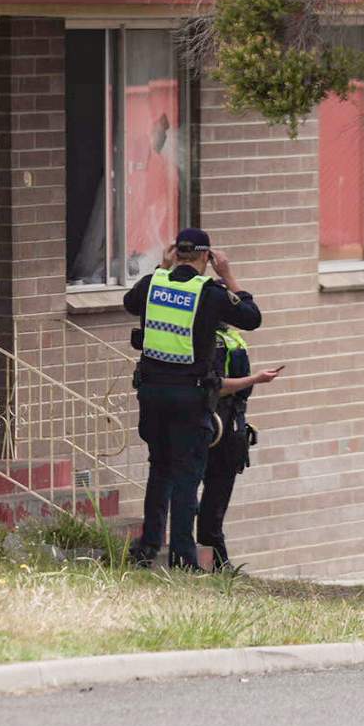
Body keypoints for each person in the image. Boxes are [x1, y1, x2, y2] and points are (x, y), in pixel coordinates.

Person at [123, 228, 262, 569]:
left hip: (152, 395)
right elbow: (251, 318)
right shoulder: (210, 292)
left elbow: (130, 303)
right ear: (206, 257)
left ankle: (148, 548)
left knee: (160, 470)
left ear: (175, 254)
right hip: (190, 396)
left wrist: (161, 267)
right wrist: (228, 275)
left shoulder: (153, 283)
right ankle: (183, 558)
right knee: (187, 475)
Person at [196, 326, 282, 571]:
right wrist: (256, 379)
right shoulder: (216, 340)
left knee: (213, 501)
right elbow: (216, 387)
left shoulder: (226, 337)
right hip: (217, 427)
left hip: (229, 426)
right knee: (210, 502)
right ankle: (216, 562)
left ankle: (215, 560)